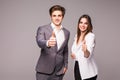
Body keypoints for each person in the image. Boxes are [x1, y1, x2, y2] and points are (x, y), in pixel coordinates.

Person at [35, 5, 70, 80]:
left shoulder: (66, 32)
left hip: (59, 72)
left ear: (62, 17)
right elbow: (39, 41)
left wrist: (66, 65)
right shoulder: (42, 29)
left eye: (59, 15)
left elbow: (65, 50)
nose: (57, 18)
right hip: (44, 71)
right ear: (51, 16)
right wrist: (47, 42)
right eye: (54, 15)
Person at [71, 14, 98, 80]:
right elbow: (76, 52)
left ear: (89, 25)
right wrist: (74, 55)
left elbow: (87, 55)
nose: (83, 25)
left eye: (86, 23)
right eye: (81, 22)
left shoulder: (90, 36)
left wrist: (85, 50)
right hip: (77, 67)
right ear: (78, 24)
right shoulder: (77, 35)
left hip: (88, 72)